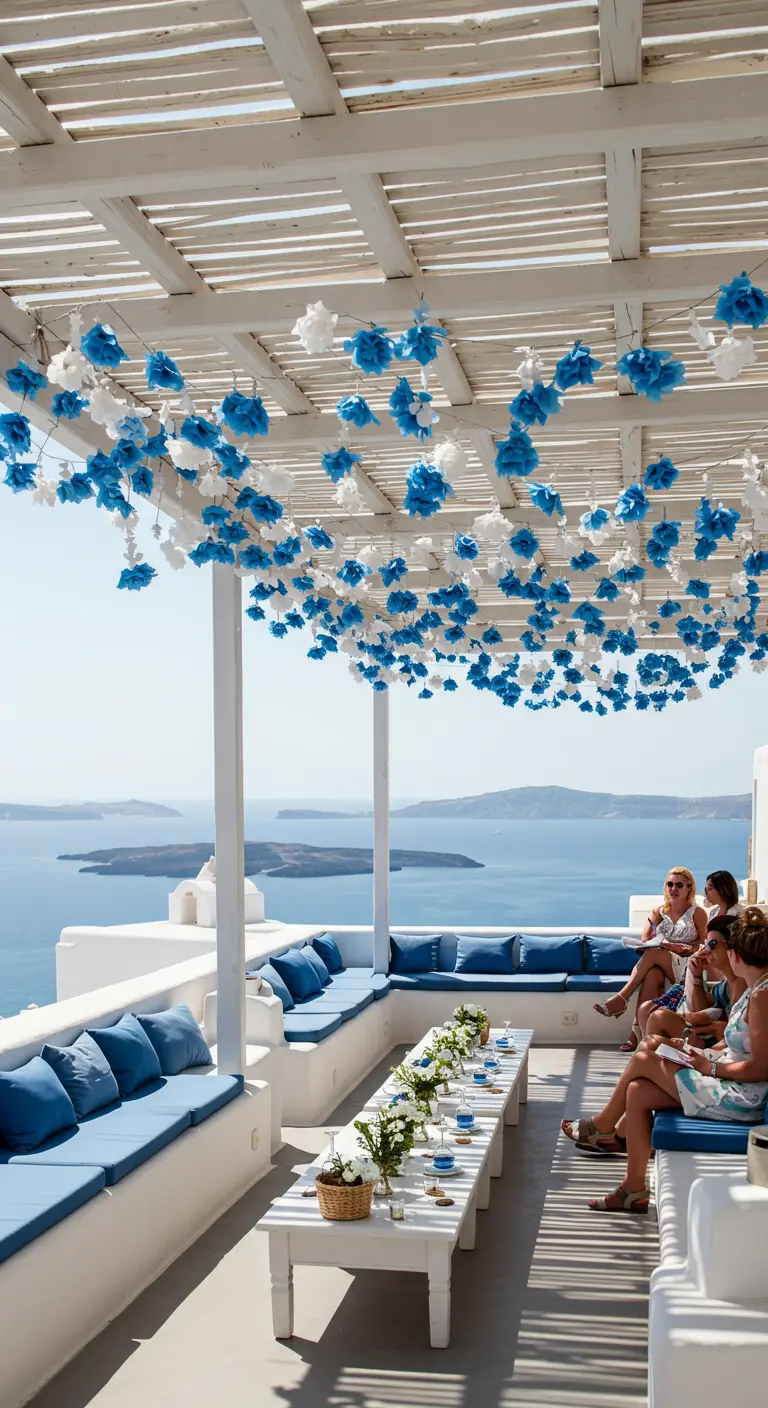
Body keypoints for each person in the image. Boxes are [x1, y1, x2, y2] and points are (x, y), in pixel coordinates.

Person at [561, 906, 768, 1212]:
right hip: (727, 1081)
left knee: (647, 1054)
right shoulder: (755, 991)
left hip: (739, 1098)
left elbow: (762, 1066)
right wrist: (700, 1053)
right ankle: (632, 1191)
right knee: (639, 1090)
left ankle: (603, 1125)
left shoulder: (762, 996)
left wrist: (709, 1066)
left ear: (737, 955)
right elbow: (740, 1048)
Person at [594, 867, 708, 1051]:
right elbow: (645, 940)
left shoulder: (697, 913)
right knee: (652, 975)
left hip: (686, 965)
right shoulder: (658, 912)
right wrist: (667, 945)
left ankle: (622, 999)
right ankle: (643, 1036)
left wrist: (683, 948)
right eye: (670, 884)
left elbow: (704, 946)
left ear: (689, 888)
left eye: (679, 885)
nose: (673, 888)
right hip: (660, 961)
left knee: (654, 954)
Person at [640, 914, 745, 1044]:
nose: (706, 950)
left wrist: (703, 1027)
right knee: (655, 1018)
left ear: (732, 945)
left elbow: (736, 1032)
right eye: (706, 944)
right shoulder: (724, 986)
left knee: (658, 1019)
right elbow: (699, 1009)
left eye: (712, 944)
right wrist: (696, 975)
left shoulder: (745, 983)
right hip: (717, 1043)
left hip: (727, 1048)